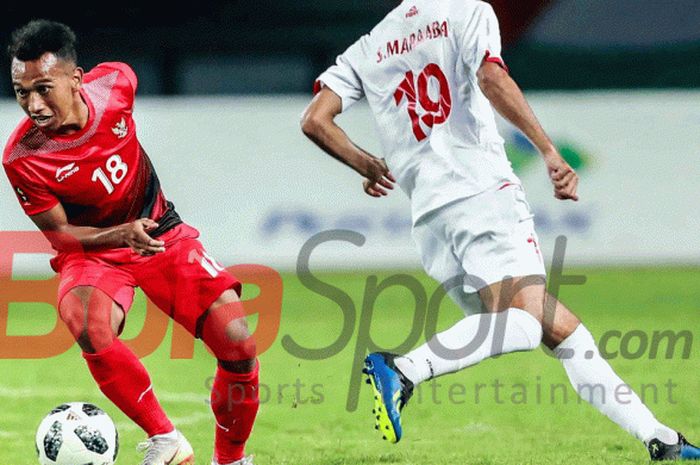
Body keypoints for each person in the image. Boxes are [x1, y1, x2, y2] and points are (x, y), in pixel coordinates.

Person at [300, 0, 700, 461]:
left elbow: (315, 119)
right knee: (527, 322)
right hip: (481, 194)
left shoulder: (370, 46)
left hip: (430, 219)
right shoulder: (468, 11)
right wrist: (548, 151)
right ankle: (405, 368)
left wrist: (367, 164)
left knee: (559, 329)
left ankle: (661, 440)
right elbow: (491, 77)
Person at [3, 20, 258, 465]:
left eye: (43, 88)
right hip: (93, 252)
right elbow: (60, 234)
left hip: (161, 233)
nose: (33, 104)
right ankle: (167, 439)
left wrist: (138, 228)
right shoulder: (23, 157)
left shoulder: (117, 83)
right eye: (22, 92)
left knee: (238, 343)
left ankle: (231, 460)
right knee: (85, 320)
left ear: (77, 79)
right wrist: (119, 234)